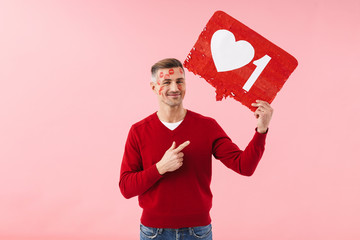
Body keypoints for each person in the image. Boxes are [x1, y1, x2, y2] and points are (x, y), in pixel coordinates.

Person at [119, 58, 273, 240]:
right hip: (153, 232)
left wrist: (261, 129)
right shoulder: (139, 131)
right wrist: (160, 168)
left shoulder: (207, 126)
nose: (175, 88)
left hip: (198, 232)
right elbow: (126, 187)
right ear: (154, 87)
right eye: (167, 82)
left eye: (180, 81)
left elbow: (244, 166)